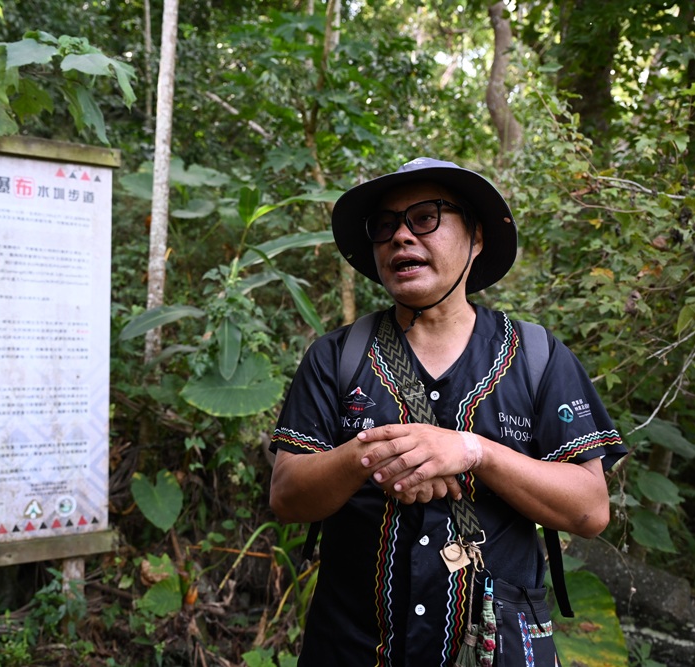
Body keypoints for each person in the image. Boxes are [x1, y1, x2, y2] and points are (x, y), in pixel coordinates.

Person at [268, 157, 626, 666]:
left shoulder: (537, 357)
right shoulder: (337, 357)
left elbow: (589, 510)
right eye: (385, 225)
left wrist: (474, 451)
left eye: (425, 218)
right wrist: (378, 454)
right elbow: (286, 496)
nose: (401, 237)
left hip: (496, 649)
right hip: (351, 647)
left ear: (476, 237)